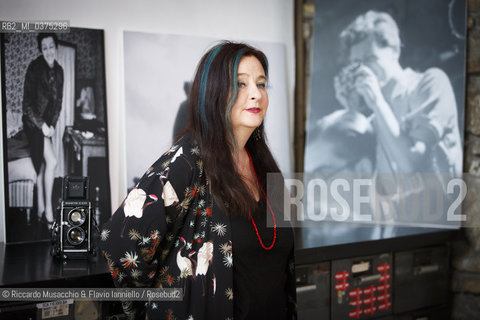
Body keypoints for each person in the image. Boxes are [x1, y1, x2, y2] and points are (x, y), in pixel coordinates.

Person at [99, 41, 297, 320]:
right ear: (214, 92)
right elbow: (120, 243)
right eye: (241, 84)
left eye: (261, 84)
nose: (256, 94)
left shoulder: (265, 165)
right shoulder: (188, 159)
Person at [335, 11, 462, 180]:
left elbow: (411, 164)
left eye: (370, 58)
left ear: (394, 50)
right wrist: (351, 114)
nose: (364, 70)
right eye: (356, 64)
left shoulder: (430, 83)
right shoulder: (374, 118)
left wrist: (377, 102)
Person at [22, 33, 64, 225]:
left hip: (48, 126)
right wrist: (42, 126)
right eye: (44, 47)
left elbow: (58, 103)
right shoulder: (34, 67)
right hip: (33, 124)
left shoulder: (60, 71)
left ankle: (40, 209)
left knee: (43, 165)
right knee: (51, 162)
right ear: (41, 50)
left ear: (56, 48)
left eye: (51, 46)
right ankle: (47, 210)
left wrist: (52, 126)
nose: (48, 51)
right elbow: (27, 104)